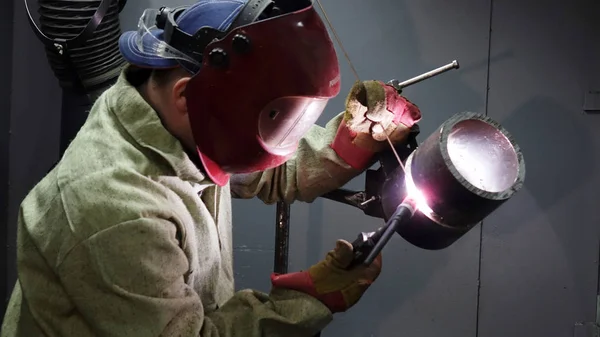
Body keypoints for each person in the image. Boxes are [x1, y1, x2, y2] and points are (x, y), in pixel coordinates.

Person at [1, 0, 421, 336]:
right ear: (187, 95)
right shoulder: (116, 211)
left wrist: (354, 138)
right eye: (275, 122)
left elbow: (271, 166)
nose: (279, 146)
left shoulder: (185, 123)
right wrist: (304, 304)